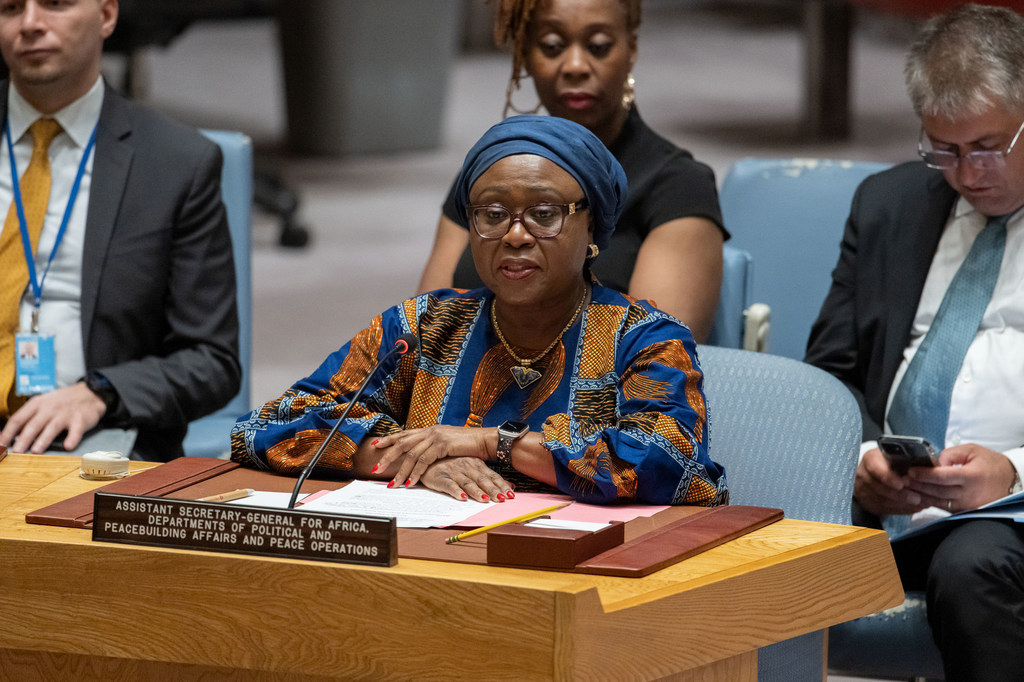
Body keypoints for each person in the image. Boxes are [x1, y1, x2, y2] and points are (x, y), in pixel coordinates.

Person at [233, 115, 726, 506]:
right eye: (492, 215)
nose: (514, 235)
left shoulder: (644, 338)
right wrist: (414, 462)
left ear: (592, 225)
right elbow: (267, 427)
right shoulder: (422, 327)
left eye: (544, 214)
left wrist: (491, 443)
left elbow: (669, 462)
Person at [804, 5, 1024, 680]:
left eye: (989, 147)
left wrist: (1013, 472)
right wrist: (867, 456)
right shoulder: (888, 206)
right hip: (884, 503)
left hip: (1007, 516)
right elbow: (828, 375)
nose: (968, 174)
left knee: (973, 564)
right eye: (945, 151)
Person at [0, 0, 240, 461]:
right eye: (11, 7)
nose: (30, 24)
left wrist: (100, 394)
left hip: (92, 435)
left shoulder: (177, 164)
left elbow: (212, 361)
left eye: (55, 3)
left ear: (107, 16)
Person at [417, 0, 726, 342]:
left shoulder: (678, 184)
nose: (575, 66)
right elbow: (424, 334)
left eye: (598, 47)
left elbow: (656, 361)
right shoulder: (492, 169)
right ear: (525, 55)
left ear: (631, 50)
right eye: (552, 46)